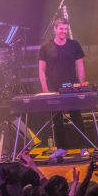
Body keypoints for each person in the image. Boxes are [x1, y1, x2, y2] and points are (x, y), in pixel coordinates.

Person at [38, 18, 87, 160]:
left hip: (72, 88)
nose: (63, 32)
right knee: (57, 119)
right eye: (61, 29)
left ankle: (83, 147)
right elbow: (41, 70)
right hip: (54, 89)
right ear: (55, 29)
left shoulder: (74, 45)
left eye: (65, 29)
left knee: (76, 117)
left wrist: (82, 84)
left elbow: (80, 66)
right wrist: (45, 89)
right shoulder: (45, 47)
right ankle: (61, 148)